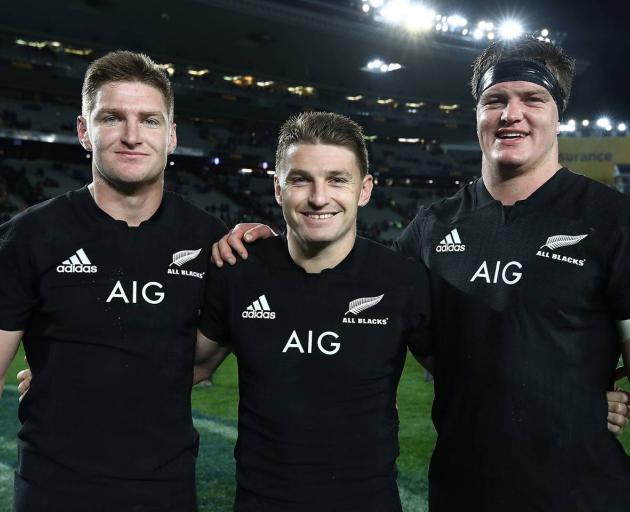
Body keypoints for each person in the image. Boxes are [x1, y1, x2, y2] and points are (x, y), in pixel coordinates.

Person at [212, 37, 630, 510]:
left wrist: (577, 399)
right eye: (495, 100)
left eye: (533, 99)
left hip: (585, 494)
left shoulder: (614, 221)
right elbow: (350, 283)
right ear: (476, 113)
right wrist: (262, 242)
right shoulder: (430, 229)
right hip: (460, 493)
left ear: (560, 114)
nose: (511, 114)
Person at [0, 50, 227, 512]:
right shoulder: (30, 235)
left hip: (166, 491)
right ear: (84, 131)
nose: (131, 136)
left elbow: (200, 362)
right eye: (111, 118)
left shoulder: (210, 241)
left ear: (171, 136)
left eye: (149, 120)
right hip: (53, 491)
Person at [195, 111, 433, 511]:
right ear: (277, 188)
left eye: (337, 179)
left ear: (365, 189)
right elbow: (189, 367)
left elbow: (466, 386)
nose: (319, 197)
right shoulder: (239, 272)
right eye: (300, 179)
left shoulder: (402, 280)